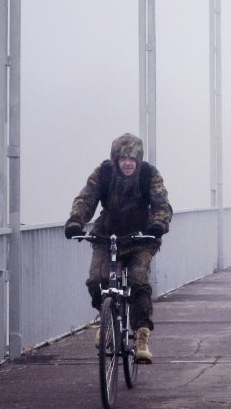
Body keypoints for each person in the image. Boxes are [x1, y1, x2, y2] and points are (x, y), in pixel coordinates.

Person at [64, 133, 173, 363]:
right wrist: (76, 220)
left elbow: (162, 203)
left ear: (138, 160)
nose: (127, 163)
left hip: (141, 237)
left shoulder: (148, 174)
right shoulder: (103, 173)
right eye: (123, 158)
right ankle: (106, 320)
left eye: (132, 159)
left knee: (137, 279)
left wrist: (158, 223)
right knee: (97, 280)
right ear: (115, 159)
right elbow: (86, 198)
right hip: (108, 235)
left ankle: (142, 334)